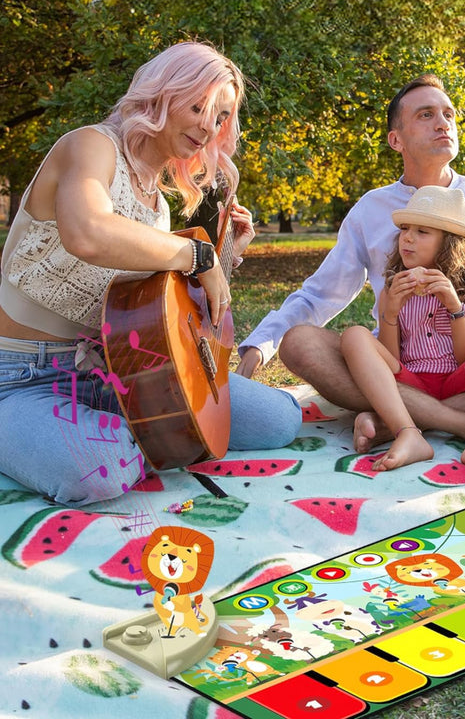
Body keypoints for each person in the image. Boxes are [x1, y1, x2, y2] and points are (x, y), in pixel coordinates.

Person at [237, 74, 465, 473]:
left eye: (448, 114)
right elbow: (319, 295)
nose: (443, 123)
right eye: (425, 115)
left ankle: (394, 419)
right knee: (300, 343)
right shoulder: (371, 209)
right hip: (398, 362)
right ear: (396, 140)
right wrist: (260, 345)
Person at [0, 41, 302, 507]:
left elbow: (150, 312)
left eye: (220, 117)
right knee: (106, 466)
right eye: (197, 106)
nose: (208, 126)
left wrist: (225, 259)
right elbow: (88, 232)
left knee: (278, 418)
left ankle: (98, 431)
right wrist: (200, 256)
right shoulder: (91, 146)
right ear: (161, 93)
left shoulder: (158, 207)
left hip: (110, 372)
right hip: (18, 378)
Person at [341, 185, 465, 478]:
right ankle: (407, 432)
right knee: (354, 335)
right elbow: (391, 359)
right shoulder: (393, 288)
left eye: (422, 231)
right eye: (405, 229)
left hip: (458, 379)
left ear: (450, 243)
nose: (407, 238)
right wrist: (390, 313)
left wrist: (454, 307)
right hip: (410, 382)